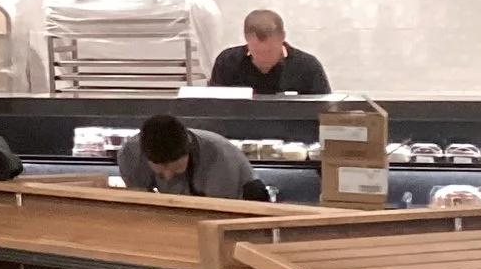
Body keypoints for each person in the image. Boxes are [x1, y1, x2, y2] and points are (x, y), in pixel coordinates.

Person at [117, 111, 260, 198]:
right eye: (160, 169)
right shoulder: (131, 154)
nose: (168, 176)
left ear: (188, 150)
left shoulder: (221, 160)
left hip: (236, 203)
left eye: (175, 168)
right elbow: (141, 199)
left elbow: (219, 215)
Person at [207, 10, 330, 95]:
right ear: (246, 39)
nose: (264, 57)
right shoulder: (228, 62)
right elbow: (212, 107)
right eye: (258, 51)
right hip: (234, 132)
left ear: (283, 38)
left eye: (270, 50)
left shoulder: (307, 67)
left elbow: (326, 114)